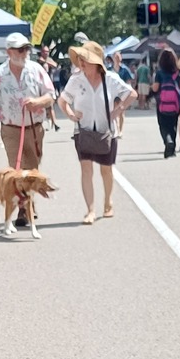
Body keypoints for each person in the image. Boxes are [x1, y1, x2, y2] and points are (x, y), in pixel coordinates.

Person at [61, 39, 136, 222]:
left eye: (85, 59)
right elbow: (62, 101)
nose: (81, 63)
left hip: (106, 132)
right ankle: (90, 210)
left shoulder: (109, 79)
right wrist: (71, 114)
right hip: (83, 131)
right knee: (86, 169)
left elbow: (131, 94)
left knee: (106, 170)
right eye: (80, 59)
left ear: (96, 63)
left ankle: (108, 202)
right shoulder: (76, 80)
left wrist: (119, 110)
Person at [0, 34, 57, 175]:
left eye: (26, 49)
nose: (24, 53)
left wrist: (37, 102)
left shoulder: (36, 70)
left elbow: (51, 96)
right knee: (17, 171)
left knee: (33, 172)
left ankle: (27, 196)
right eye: (20, 49)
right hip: (11, 130)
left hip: (35, 130)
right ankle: (21, 197)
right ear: (9, 52)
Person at [153, 48, 180, 157]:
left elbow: (156, 88)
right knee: (173, 125)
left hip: (162, 103)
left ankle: (168, 141)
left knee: (163, 126)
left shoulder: (159, 73)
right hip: (175, 103)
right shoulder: (178, 71)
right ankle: (173, 148)